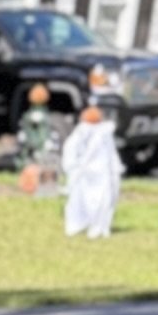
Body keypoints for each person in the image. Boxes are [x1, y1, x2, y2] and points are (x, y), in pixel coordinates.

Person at [61, 95, 123, 238]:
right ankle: (86, 224)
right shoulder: (84, 132)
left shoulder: (103, 133)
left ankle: (98, 226)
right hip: (87, 174)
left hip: (100, 174)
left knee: (101, 200)